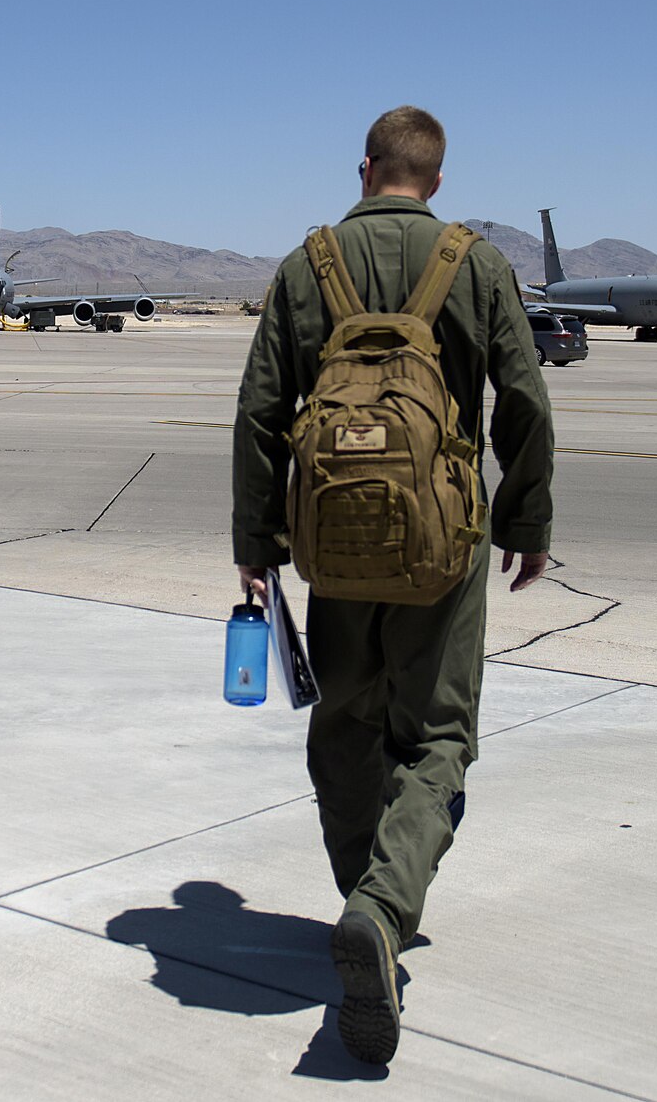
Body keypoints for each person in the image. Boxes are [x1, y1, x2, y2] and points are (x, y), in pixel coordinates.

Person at [231, 106, 554, 1067]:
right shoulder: (476, 263)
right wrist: (525, 521)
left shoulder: (307, 264)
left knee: (344, 724)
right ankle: (382, 904)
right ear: (437, 180)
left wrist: (258, 540)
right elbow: (526, 399)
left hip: (334, 549)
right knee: (439, 734)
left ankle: (360, 897)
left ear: (365, 168)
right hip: (444, 549)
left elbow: (259, 407)